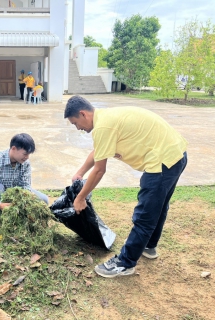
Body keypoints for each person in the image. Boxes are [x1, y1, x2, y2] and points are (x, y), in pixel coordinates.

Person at [64, 95, 188, 278]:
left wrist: (80, 197)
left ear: (83, 114)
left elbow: (99, 170)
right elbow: (99, 151)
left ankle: (125, 263)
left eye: (76, 123)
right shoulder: (105, 119)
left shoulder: (103, 126)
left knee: (145, 214)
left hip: (162, 161)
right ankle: (149, 246)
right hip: (175, 154)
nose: (78, 128)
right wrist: (80, 172)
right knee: (158, 207)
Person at [0, 133, 49, 224]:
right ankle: (0, 219)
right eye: (25, 154)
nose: (27, 157)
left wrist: (25, 201)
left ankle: (23, 217)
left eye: (29, 154)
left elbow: (25, 186)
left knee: (44, 200)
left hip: (18, 195)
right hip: (1, 197)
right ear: (14, 149)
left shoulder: (25, 163)